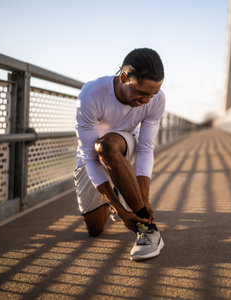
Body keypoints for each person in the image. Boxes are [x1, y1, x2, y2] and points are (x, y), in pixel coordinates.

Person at [74, 48, 165, 261]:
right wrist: (120, 210)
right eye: (142, 93)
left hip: (122, 144)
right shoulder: (91, 94)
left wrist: (143, 202)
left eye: (153, 93)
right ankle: (116, 194)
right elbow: (89, 156)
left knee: (106, 146)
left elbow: (145, 148)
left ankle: (148, 229)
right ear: (124, 78)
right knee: (95, 230)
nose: (148, 100)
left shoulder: (157, 99)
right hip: (90, 156)